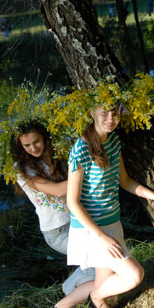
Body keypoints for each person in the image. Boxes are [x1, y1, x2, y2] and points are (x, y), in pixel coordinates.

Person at [52, 105, 154, 308]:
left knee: (102, 282)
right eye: (104, 113)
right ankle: (96, 299)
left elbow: (125, 181)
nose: (110, 119)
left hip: (112, 221)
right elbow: (72, 202)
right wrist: (101, 237)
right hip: (91, 230)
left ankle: (61, 307)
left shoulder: (114, 142)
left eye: (115, 114)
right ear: (92, 112)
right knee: (134, 275)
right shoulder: (80, 150)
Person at [14, 121, 94, 295]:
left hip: (78, 218)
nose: (33, 148)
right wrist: (90, 172)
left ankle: (69, 289)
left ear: (44, 138)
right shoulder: (22, 170)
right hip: (58, 231)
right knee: (96, 259)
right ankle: (68, 296)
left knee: (98, 259)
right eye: (26, 145)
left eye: (36, 142)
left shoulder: (55, 152)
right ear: (20, 147)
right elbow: (57, 191)